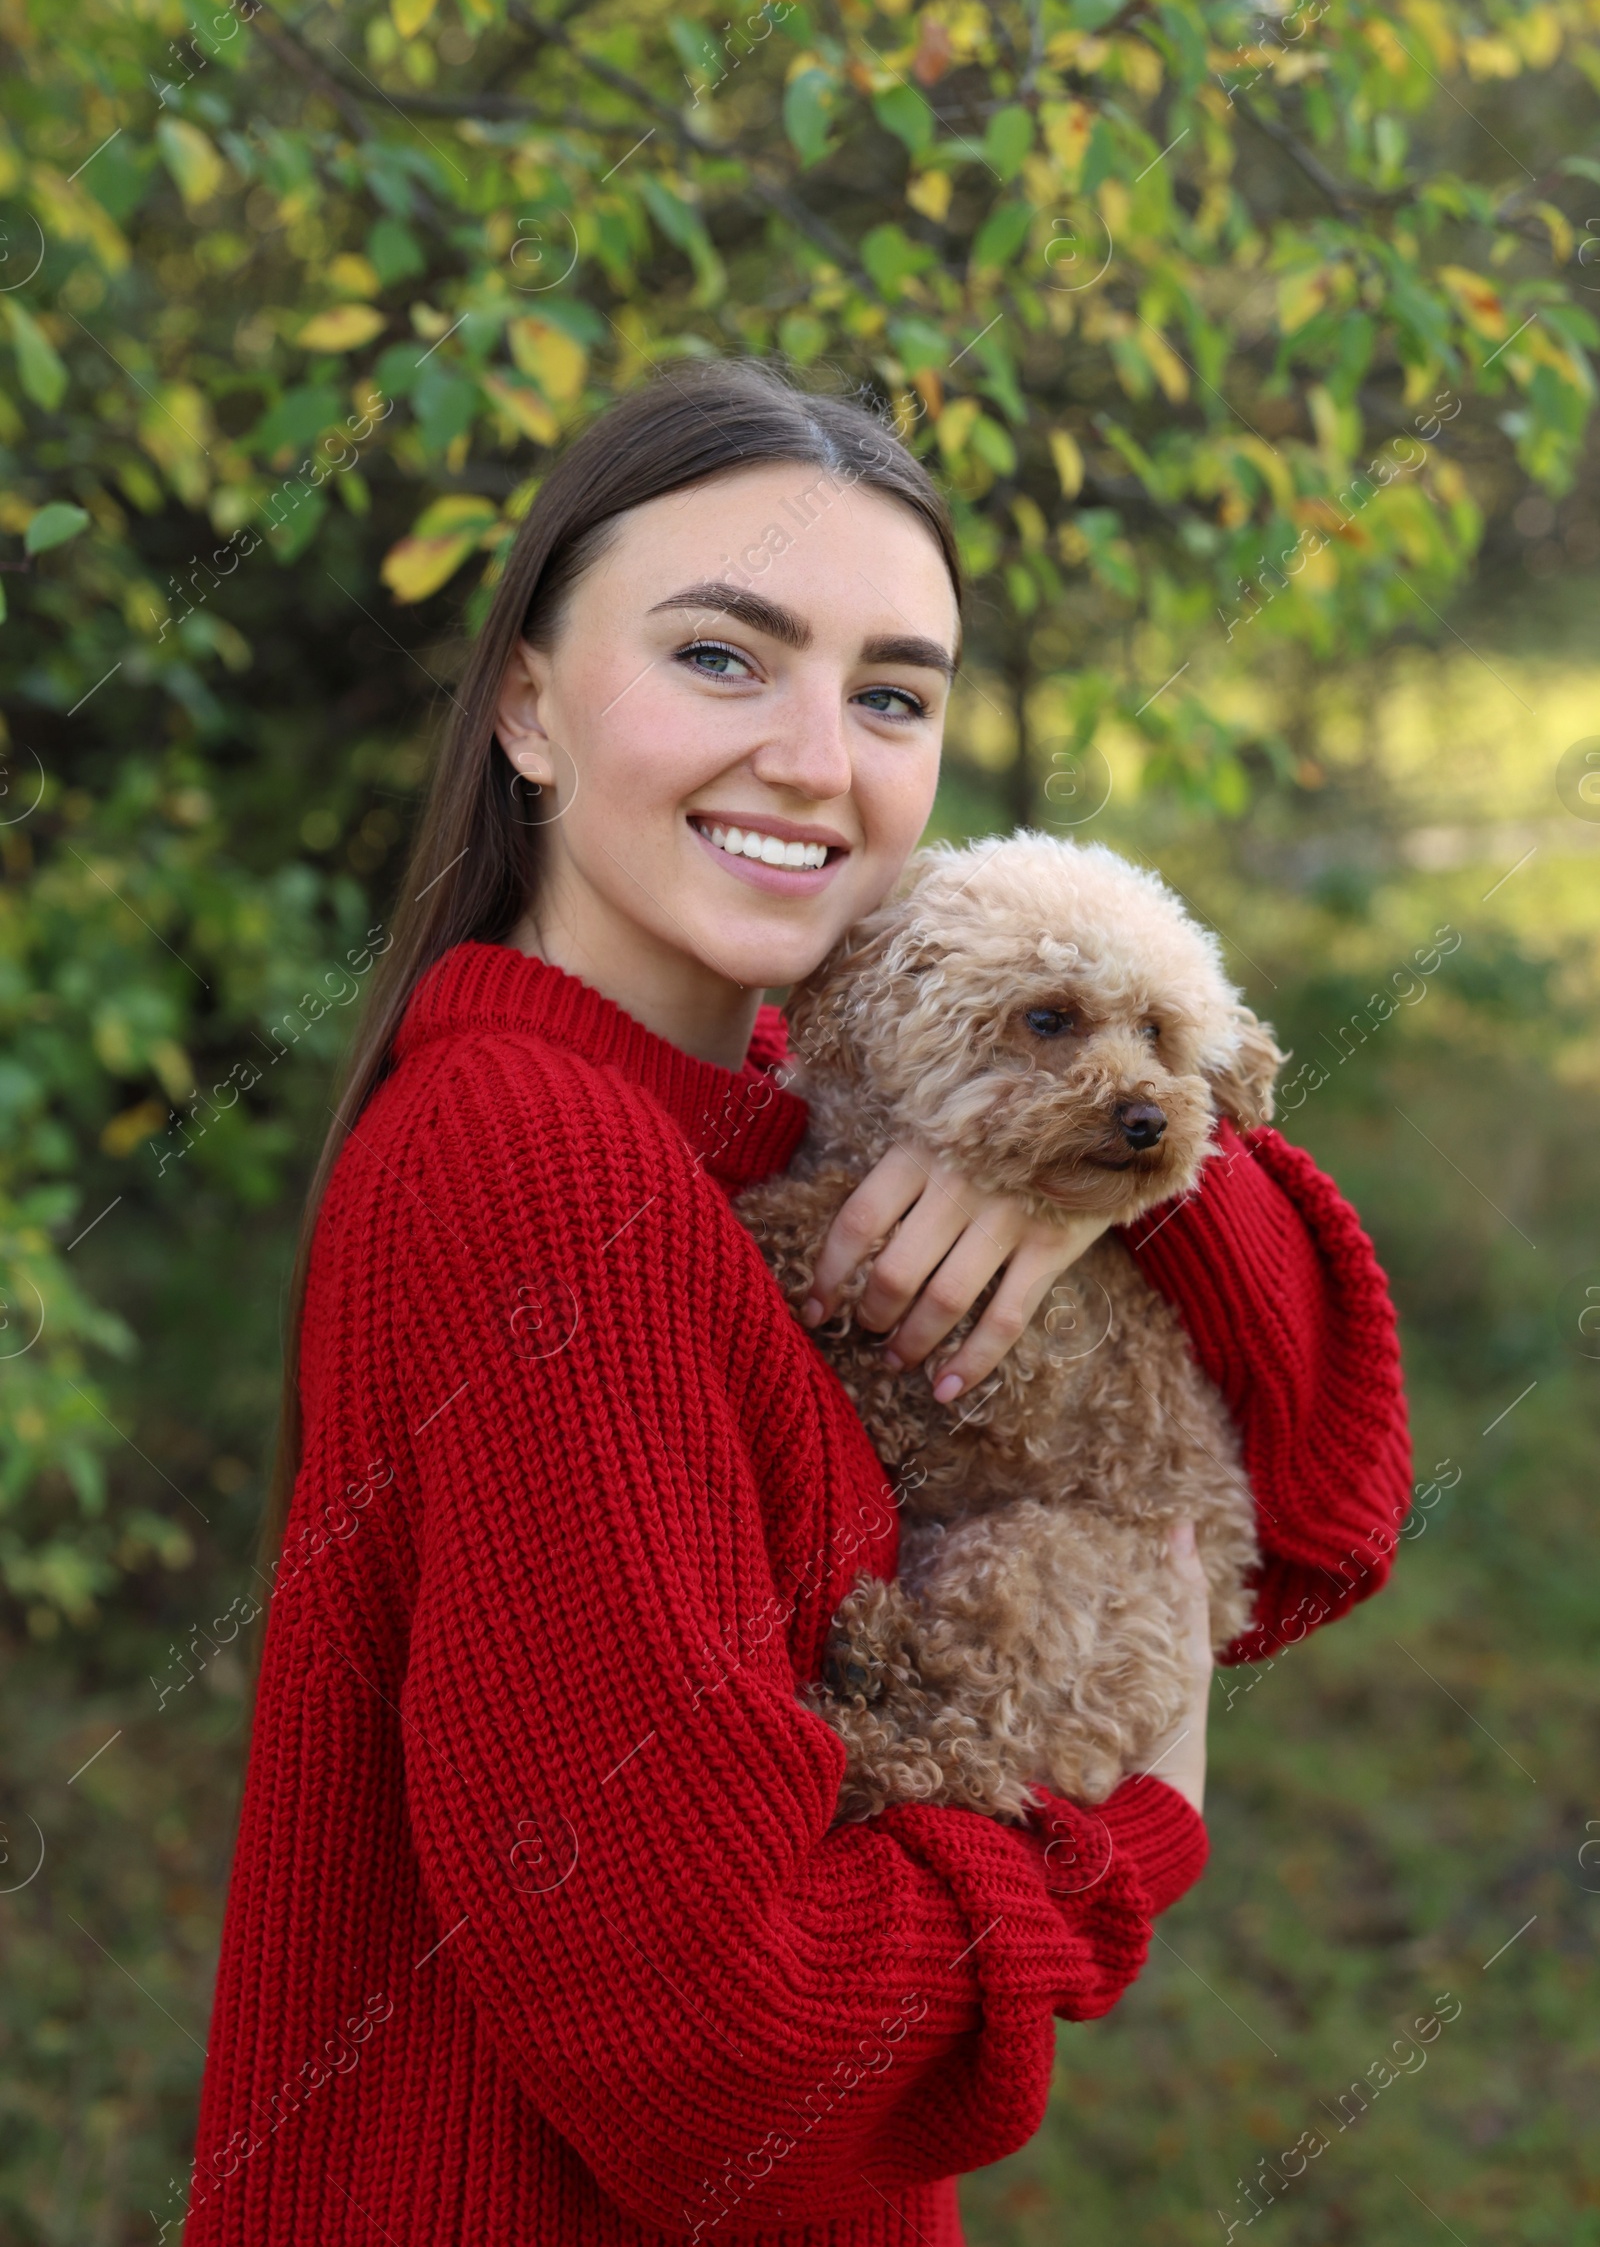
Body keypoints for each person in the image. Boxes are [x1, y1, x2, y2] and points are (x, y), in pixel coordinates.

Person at [184, 361, 1411, 2245]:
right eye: (721, 658)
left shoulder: (767, 1114)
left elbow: (1332, 1486)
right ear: (525, 704)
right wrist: (1128, 1834)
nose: (818, 761)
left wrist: (1125, 1191)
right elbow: (727, 2045)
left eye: (893, 694)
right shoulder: (541, 1161)